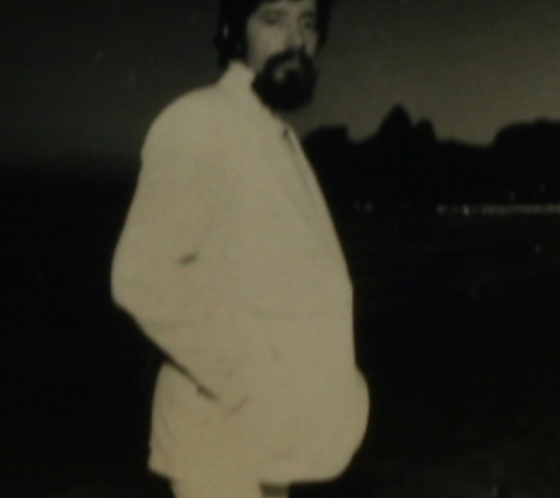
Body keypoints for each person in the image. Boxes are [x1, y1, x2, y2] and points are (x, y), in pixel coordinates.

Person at [110, 1, 369, 497]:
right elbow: (140, 276)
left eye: (308, 23)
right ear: (234, 32)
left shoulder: (272, 132)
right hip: (220, 439)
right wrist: (249, 379)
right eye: (274, 19)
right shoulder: (200, 120)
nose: (295, 40)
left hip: (268, 435)